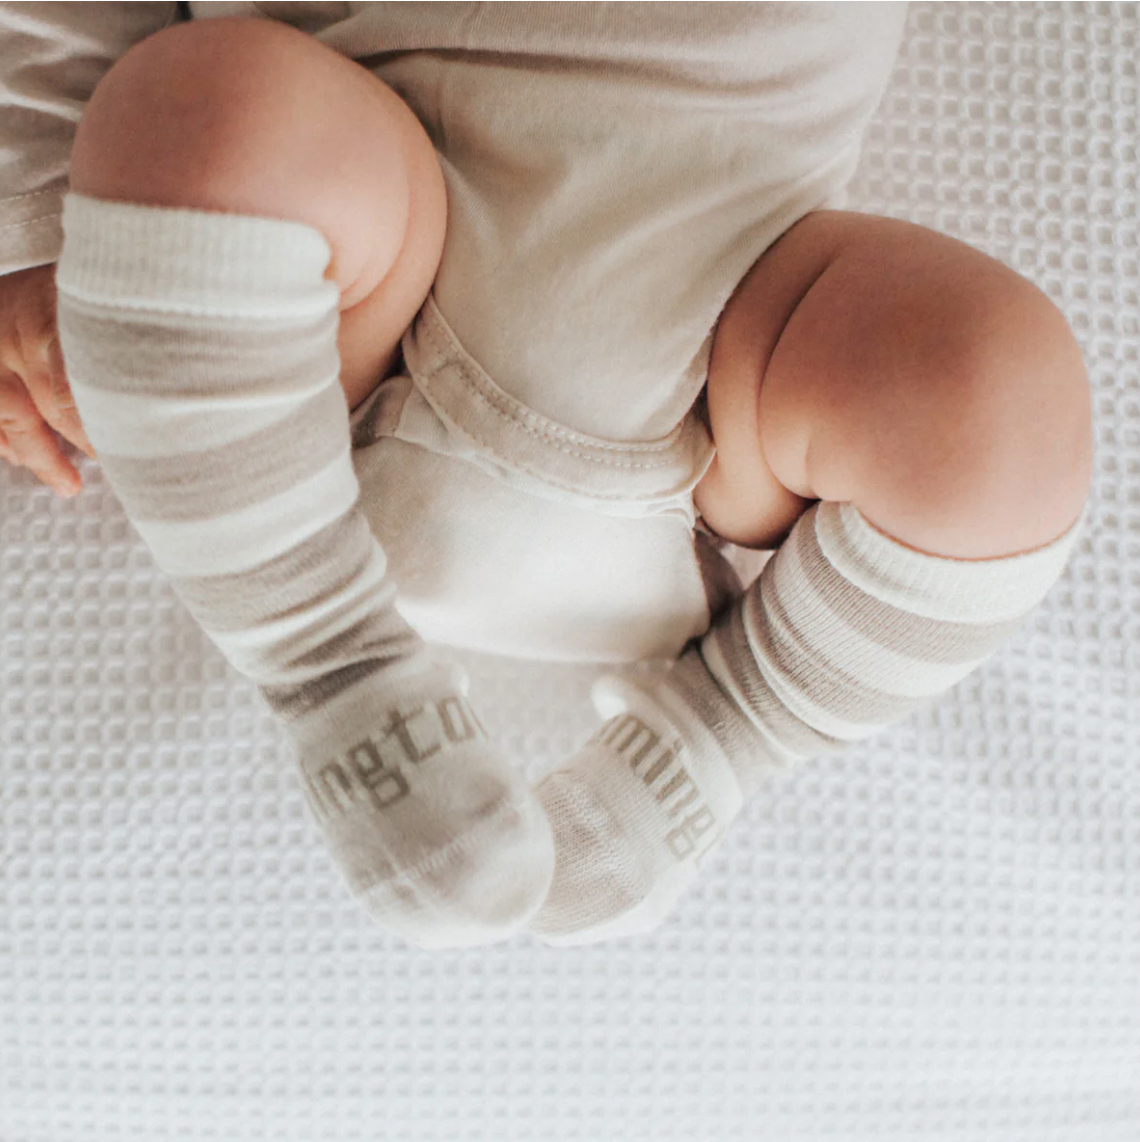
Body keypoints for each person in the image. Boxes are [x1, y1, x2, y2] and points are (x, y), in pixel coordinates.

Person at [0, 3, 1092, 948]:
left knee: (998, 392)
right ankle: (331, 669)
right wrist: (43, 208)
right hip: (352, 269)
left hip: (735, 316)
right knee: (196, 107)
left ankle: (710, 743)